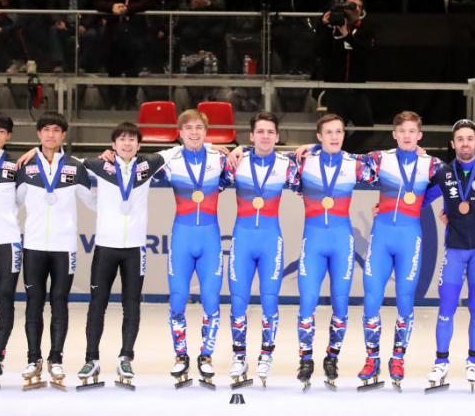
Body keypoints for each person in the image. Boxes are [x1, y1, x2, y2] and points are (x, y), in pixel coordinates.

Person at [75, 122, 169, 389]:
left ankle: (126, 356)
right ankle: (91, 358)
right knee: (98, 304)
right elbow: (69, 164)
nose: (127, 144)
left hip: (135, 249)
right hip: (105, 246)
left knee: (132, 305)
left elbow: (179, 150)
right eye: (122, 139)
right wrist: (96, 205)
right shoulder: (99, 165)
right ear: (113, 145)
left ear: (139, 145)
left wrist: (213, 146)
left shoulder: (147, 165)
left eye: (132, 140)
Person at [291, 114, 378, 388]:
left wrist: (422, 151)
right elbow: (264, 151)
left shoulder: (355, 164)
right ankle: (306, 359)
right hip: (314, 242)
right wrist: (236, 149)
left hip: (342, 242)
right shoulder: (303, 161)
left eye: (339, 132)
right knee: (307, 303)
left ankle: (331, 357)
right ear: (319, 136)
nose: (334, 137)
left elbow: (390, 163)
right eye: (328, 132)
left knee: (340, 305)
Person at [358, 112, 443, 388]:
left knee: (405, 301)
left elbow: (460, 180)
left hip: (409, 239)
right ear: (394, 134)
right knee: (372, 299)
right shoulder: (380, 159)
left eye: (412, 131)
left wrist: (451, 210)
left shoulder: (431, 164)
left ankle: (398, 357)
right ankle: (372, 358)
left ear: (420, 135)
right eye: (402, 131)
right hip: (382, 237)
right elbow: (338, 158)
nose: (407, 135)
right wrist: (307, 147)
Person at [423, 119, 475, 391]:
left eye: (470, 138)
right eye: (460, 139)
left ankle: (473, 360)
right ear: (453, 143)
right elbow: (417, 200)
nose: (466, 143)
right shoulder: (444, 174)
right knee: (446, 309)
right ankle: (441, 361)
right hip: (455, 251)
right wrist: (386, 208)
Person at [15, 112, 94, 389]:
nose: (50, 134)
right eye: (45, 130)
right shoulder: (25, 166)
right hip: (34, 246)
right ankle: (33, 357)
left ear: (63, 135)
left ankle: (56, 358)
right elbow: (11, 204)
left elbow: (93, 202)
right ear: (38, 134)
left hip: (64, 248)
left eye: (56, 130)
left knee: (59, 301)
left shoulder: (75, 167)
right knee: (34, 303)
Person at [222, 113, 297, 386]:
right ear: (251, 136)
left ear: (277, 137)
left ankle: (266, 355)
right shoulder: (236, 162)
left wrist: (306, 148)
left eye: (270, 132)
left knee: (269, 301)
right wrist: (224, 149)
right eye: (260, 131)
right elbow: (200, 155)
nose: (265, 136)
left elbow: (324, 152)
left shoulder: (287, 164)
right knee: (238, 301)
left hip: (270, 241)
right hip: (242, 239)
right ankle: (239, 356)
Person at [159, 110, 227, 387]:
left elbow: (259, 152)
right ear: (180, 132)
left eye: (200, 127)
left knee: (211, 299)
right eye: (189, 128)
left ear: (207, 131)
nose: (194, 132)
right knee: (178, 298)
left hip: (210, 237)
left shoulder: (220, 158)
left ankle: (206, 356)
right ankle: (180, 355)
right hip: (182, 237)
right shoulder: (168, 159)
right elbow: (130, 158)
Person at [315, 0, 374, 153]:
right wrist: (324, 27)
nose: (351, 9)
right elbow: (320, 51)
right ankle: (337, 156)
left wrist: (348, 36)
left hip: (357, 90)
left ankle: (345, 153)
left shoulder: (366, 30)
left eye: (356, 6)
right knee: (334, 129)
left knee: (367, 128)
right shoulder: (332, 28)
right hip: (336, 90)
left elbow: (366, 54)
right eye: (348, 5)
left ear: (361, 11)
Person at [95, 0, 151, 107]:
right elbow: (99, 3)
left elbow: (145, 2)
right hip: (114, 38)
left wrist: (127, 8)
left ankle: (130, 100)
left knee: (133, 70)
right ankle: (114, 102)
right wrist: (112, 7)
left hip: (135, 36)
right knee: (113, 70)